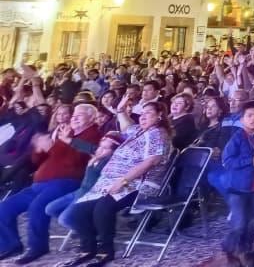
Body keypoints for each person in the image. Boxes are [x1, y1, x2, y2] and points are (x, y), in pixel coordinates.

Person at [60, 101, 172, 267]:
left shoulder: (157, 134)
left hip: (138, 184)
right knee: (77, 212)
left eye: (148, 113)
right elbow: (127, 126)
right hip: (112, 182)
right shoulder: (139, 131)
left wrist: (123, 180)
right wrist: (120, 110)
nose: (143, 116)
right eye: (142, 113)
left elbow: (151, 160)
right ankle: (88, 248)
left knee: (103, 208)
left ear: (160, 116)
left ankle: (106, 251)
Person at [0, 103, 101, 264]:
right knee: (4, 207)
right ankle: (10, 245)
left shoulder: (93, 134)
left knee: (37, 207)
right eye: (74, 114)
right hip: (39, 183)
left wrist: (63, 142)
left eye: (79, 115)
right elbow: (38, 161)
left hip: (66, 181)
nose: (74, 117)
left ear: (92, 118)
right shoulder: (66, 133)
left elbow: (76, 162)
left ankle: (37, 247)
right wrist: (39, 149)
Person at [222, 100, 254, 267]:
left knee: (251, 222)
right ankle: (231, 249)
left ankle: (245, 250)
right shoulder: (237, 137)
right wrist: (250, 161)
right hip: (237, 186)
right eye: (249, 115)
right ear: (242, 119)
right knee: (239, 222)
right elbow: (227, 161)